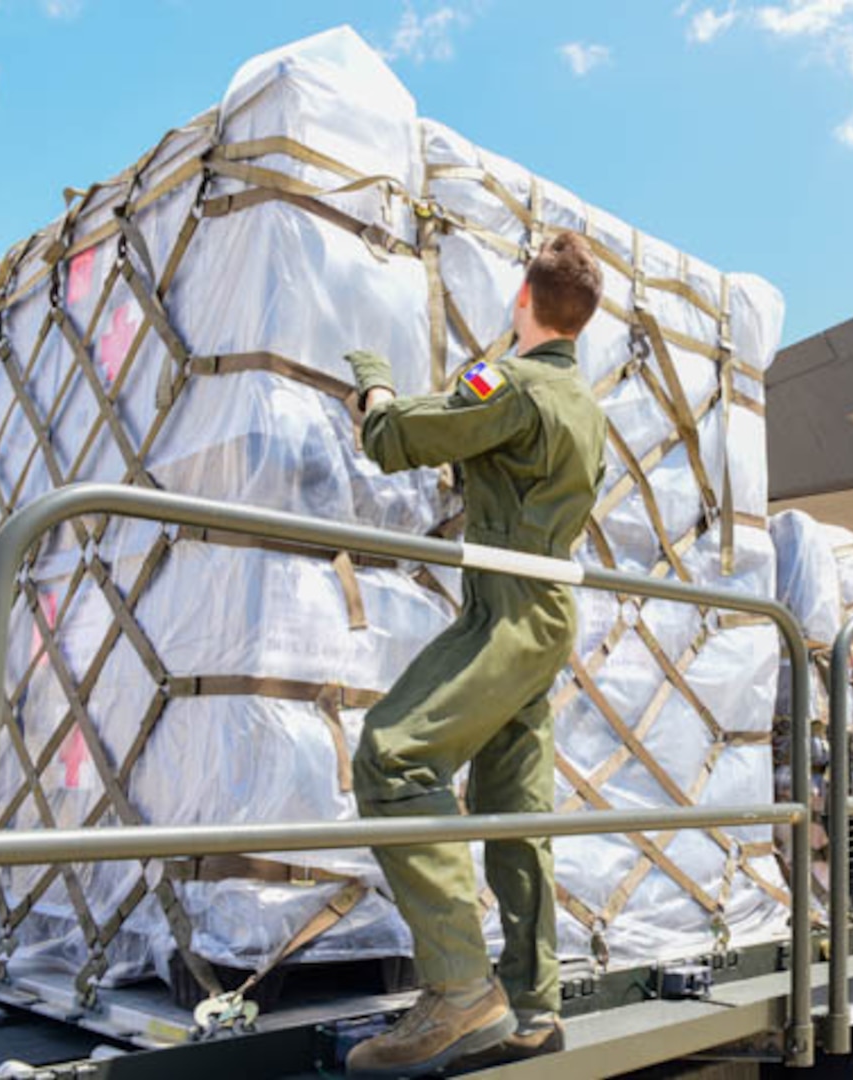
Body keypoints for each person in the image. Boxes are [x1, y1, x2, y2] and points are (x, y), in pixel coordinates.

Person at [340, 231, 608, 1078]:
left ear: (522, 301)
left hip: (502, 608)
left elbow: (397, 440)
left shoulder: (511, 382)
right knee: (514, 812)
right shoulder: (584, 400)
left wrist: (373, 385)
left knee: (392, 757)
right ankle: (533, 1006)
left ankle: (461, 991)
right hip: (546, 606)